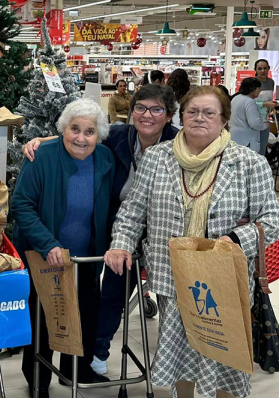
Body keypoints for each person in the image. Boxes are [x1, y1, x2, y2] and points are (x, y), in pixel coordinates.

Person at [104, 86, 279, 398]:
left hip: (224, 278)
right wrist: (121, 244)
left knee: (226, 354)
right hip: (172, 274)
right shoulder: (157, 158)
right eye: (192, 112)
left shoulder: (248, 163)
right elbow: (133, 210)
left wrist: (236, 238)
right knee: (179, 345)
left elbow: (272, 221)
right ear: (180, 117)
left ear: (224, 120)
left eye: (209, 113)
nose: (200, 118)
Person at [22, 86, 179, 376]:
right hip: (87, 241)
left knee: (93, 308)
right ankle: (60, 371)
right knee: (71, 307)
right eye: (141, 107)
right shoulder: (117, 137)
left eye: (156, 109)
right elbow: (81, 133)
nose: (147, 115)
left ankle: (83, 370)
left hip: (139, 238)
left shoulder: (174, 144)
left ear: (169, 115)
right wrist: (42, 141)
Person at [12, 99, 115, 398]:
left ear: (98, 135)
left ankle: (77, 371)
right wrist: (48, 244)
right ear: (63, 130)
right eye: (74, 129)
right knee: (43, 320)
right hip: (45, 256)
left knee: (84, 316)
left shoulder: (105, 158)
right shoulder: (42, 156)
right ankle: (38, 380)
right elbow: (22, 205)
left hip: (87, 257)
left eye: (89, 131)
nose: (81, 138)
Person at [229, 77, 266, 154]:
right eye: (258, 88)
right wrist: (265, 125)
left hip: (234, 138)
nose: (260, 91)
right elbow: (254, 123)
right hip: (246, 141)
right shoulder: (250, 102)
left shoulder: (235, 98)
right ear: (252, 89)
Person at [253, 59, 276, 153]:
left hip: (266, 119)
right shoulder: (252, 83)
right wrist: (265, 104)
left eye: (265, 68)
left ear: (268, 68)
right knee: (253, 148)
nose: (262, 71)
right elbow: (248, 103)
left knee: (263, 148)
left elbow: (269, 99)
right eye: (259, 68)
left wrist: (273, 104)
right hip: (253, 119)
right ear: (255, 70)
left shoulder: (271, 82)